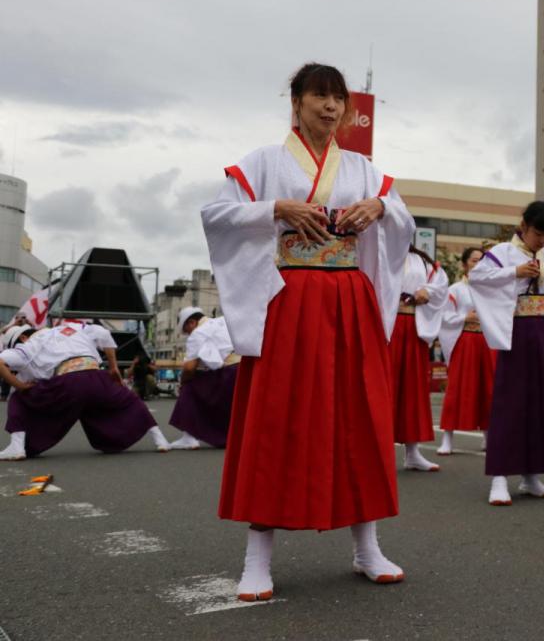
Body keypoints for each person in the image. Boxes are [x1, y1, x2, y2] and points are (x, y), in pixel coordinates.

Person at [201, 62, 416, 601]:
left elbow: (404, 221)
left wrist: (381, 207)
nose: (331, 107)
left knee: (359, 415)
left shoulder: (363, 168)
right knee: (276, 416)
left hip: (350, 298)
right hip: (289, 299)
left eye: (338, 98)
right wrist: (274, 209)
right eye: (319, 96)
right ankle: (257, 558)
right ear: (295, 101)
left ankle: (367, 547)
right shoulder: (263, 162)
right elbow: (216, 215)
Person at [468, 202, 544, 506]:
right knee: (512, 402)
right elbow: (477, 279)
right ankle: (499, 477)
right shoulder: (503, 253)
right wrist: (513, 273)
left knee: (543, 403)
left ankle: (532, 475)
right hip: (517, 331)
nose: (542, 240)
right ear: (524, 226)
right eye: (537, 233)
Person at [0, 322, 171, 460]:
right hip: (96, 376)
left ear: (22, 338)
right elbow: (104, 334)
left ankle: (17, 446)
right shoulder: (72, 327)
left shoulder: (28, 345)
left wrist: (20, 386)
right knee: (130, 401)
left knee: (18, 397)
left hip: (66, 382)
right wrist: (113, 367)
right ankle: (160, 439)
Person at [391, 245, 449, 472]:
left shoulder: (422, 261)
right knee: (383, 387)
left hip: (414, 327)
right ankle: (376, 451)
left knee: (413, 389)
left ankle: (412, 452)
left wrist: (427, 291)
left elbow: (440, 284)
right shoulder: (377, 249)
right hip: (386, 326)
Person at [436, 247, 496, 456]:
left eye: (482, 261)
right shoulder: (455, 289)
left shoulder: (492, 289)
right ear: (464, 264)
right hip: (466, 340)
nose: (478, 264)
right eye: (474, 260)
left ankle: (489, 435)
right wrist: (464, 317)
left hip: (487, 341)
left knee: (489, 388)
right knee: (457, 388)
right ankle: (447, 438)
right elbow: (444, 316)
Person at [168, 307, 239, 450]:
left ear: (192, 323)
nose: (188, 334)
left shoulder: (198, 333)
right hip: (245, 371)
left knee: (189, 386)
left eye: (187, 331)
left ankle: (189, 437)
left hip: (228, 373)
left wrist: (182, 381)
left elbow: (189, 368)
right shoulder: (223, 322)